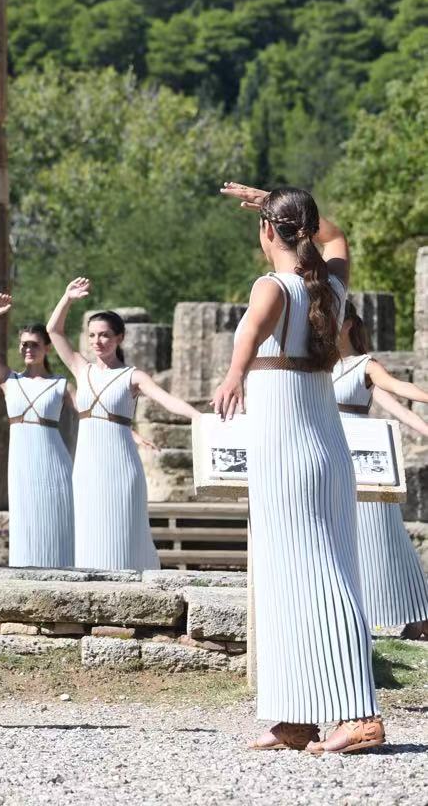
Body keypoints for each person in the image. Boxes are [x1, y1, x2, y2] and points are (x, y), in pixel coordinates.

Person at [212, 182, 382, 754]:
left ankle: (360, 714)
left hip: (287, 448)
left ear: (267, 232)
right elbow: (335, 236)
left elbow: (250, 334)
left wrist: (235, 373)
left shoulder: (272, 286)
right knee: (288, 576)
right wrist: (281, 205)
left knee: (319, 574)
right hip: (324, 447)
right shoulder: (330, 285)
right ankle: (297, 715)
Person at [48, 280, 201, 570]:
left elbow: (167, 400)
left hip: (120, 466)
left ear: (119, 338)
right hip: (87, 467)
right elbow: (53, 331)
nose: (97, 341)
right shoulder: (82, 369)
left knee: (123, 532)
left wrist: (200, 417)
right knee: (89, 531)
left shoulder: (133, 376)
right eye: (92, 335)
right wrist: (66, 299)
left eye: (105, 335)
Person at [334, 304, 428, 639]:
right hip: (331, 459)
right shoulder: (318, 367)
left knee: (382, 535)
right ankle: (354, 614)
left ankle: (416, 612)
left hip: (366, 461)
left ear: (347, 325)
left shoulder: (365, 365)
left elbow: (397, 395)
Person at [0, 294, 73, 568]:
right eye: (23, 345)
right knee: (26, 522)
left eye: (34, 345)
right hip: (21, 463)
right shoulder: (9, 380)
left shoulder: (60, 384)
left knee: (55, 523)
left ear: (47, 348)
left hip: (54, 462)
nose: (27, 349)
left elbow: (91, 411)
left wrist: (131, 432)